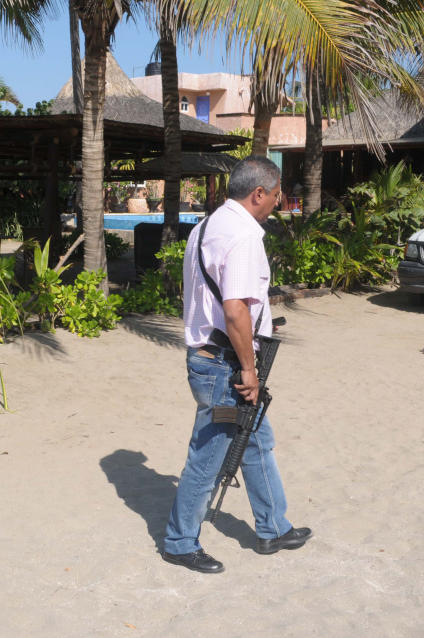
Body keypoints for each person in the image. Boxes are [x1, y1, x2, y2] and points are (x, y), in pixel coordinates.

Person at [162, 157, 312, 574]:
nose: (280, 201)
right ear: (258, 193)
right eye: (277, 193)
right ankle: (178, 542)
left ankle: (272, 528)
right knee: (208, 455)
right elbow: (234, 312)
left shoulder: (207, 226)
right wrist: (249, 370)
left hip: (212, 357)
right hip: (225, 366)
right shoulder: (244, 236)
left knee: (257, 442)